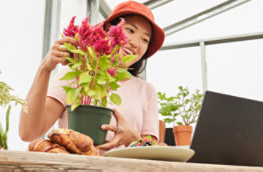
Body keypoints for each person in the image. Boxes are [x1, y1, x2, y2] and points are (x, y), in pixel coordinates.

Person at [19, 1, 165, 154]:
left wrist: (133, 139)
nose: (136, 43)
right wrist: (45, 68)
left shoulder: (146, 91)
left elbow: (152, 152)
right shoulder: (76, 73)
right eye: (130, 30)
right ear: (109, 29)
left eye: (145, 40)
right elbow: (28, 132)